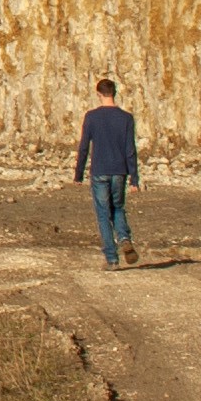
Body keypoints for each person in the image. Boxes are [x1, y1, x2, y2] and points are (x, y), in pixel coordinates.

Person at [71, 76, 140, 268]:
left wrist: (78, 174)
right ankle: (124, 238)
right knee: (117, 207)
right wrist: (134, 179)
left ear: (99, 94)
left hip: (100, 170)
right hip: (120, 170)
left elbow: (84, 146)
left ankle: (112, 258)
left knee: (103, 213)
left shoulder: (92, 117)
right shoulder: (126, 118)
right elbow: (130, 149)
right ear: (114, 93)